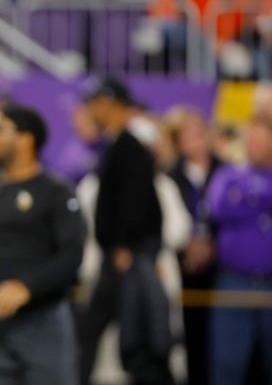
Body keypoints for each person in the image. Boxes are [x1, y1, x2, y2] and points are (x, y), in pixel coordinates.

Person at [0, 105, 85, 385]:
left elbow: (72, 256)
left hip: (43, 320)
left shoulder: (56, 191)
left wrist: (27, 286)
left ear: (26, 138)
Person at [78, 77, 173, 385]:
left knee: (134, 332)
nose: (91, 109)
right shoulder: (119, 144)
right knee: (127, 331)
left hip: (126, 255)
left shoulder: (128, 146)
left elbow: (135, 202)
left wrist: (123, 246)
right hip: (123, 253)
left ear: (109, 103)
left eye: (95, 102)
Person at [204, 111, 272, 384]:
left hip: (270, 284)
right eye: (250, 138)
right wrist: (261, 209)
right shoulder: (227, 175)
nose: (253, 144)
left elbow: (240, 206)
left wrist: (248, 200)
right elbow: (218, 208)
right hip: (233, 282)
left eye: (261, 139)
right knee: (226, 367)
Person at [165, 107, 220, 385]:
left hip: (220, 267)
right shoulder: (171, 176)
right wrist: (188, 248)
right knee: (189, 335)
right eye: (185, 136)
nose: (193, 141)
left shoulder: (225, 170)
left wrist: (213, 246)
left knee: (221, 339)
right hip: (185, 267)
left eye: (197, 134)